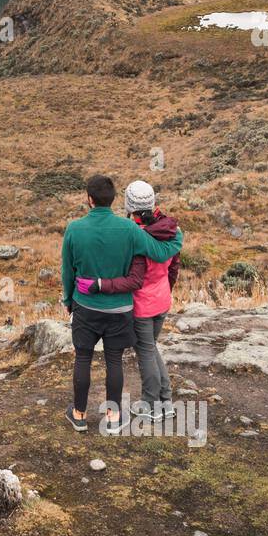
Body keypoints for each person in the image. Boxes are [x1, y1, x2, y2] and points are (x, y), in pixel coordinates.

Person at [61, 175, 183, 434]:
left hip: (86, 305)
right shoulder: (129, 230)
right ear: (114, 199)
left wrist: (68, 300)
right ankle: (114, 418)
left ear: (89, 199)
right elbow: (160, 253)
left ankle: (79, 415)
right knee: (114, 359)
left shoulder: (74, 228)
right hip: (120, 309)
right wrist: (177, 239)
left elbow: (67, 271)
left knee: (83, 357)